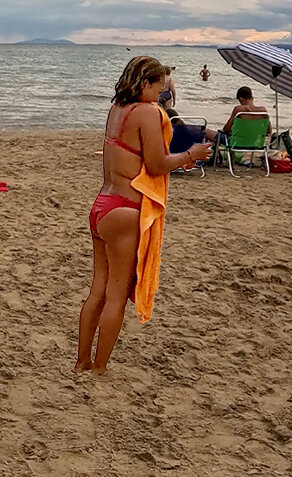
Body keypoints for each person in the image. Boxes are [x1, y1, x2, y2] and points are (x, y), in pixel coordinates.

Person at [76, 57, 211, 377]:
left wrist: (179, 159)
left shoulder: (116, 110)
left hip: (101, 206)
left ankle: (81, 362)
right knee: (116, 296)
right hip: (124, 209)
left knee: (98, 289)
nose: (161, 95)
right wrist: (191, 154)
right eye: (159, 87)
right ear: (145, 84)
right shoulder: (148, 112)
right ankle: (98, 369)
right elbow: (155, 163)